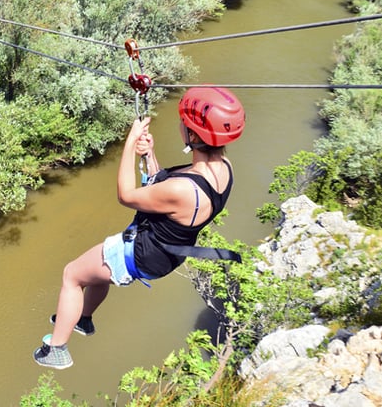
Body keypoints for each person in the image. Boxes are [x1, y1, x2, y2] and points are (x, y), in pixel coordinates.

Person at [33, 86, 245, 369]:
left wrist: (130, 145)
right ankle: (82, 319)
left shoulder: (184, 190)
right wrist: (149, 154)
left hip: (141, 253)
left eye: (184, 123)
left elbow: (127, 196)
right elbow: (163, 188)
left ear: (193, 135)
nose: (180, 125)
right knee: (96, 274)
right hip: (166, 254)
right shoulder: (223, 168)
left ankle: (56, 350)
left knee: (72, 275)